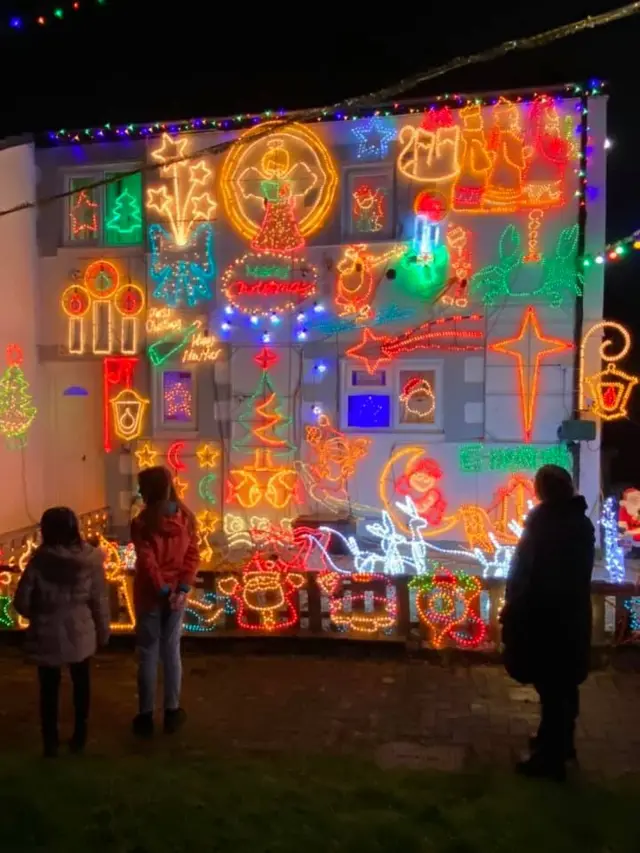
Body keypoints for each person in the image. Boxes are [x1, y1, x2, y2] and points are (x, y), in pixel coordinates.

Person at [501, 465, 594, 781]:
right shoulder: (577, 522)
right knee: (562, 686)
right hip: (568, 618)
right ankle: (559, 744)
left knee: (553, 688)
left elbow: (532, 572)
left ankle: (550, 760)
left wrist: (517, 606)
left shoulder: (548, 525)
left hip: (547, 618)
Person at [13, 507, 110, 758]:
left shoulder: (39, 561)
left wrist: (38, 612)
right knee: (81, 684)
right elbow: (99, 599)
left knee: (48, 689)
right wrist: (103, 630)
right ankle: (80, 735)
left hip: (47, 631)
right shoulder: (91, 560)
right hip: (81, 630)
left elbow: (21, 601)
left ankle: (51, 742)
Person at [131, 465, 199, 738]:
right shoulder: (187, 519)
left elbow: (147, 562)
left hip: (151, 594)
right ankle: (172, 711)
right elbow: (193, 556)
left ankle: (145, 715)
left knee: (147, 652)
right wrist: (181, 589)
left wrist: (162, 590)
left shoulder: (142, 523)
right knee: (171, 651)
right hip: (176, 597)